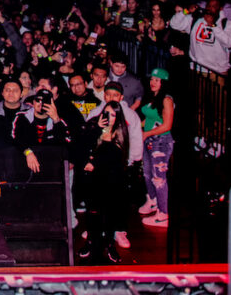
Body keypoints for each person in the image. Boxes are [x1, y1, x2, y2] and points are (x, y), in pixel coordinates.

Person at [75, 100, 130, 264]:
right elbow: (83, 145)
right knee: (92, 214)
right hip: (94, 181)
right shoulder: (95, 128)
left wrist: (94, 162)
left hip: (112, 181)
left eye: (113, 114)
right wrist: (96, 128)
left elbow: (114, 156)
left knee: (110, 216)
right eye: (107, 113)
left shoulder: (119, 134)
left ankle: (110, 245)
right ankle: (90, 242)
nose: (110, 118)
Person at [134, 68, 175, 228]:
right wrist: (137, 127)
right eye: (152, 79)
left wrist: (146, 133)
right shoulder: (153, 97)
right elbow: (150, 119)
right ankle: (152, 201)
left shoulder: (166, 100)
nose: (153, 82)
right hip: (149, 139)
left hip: (161, 141)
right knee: (147, 173)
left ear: (163, 83)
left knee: (159, 178)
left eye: (157, 80)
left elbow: (167, 125)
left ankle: (163, 214)